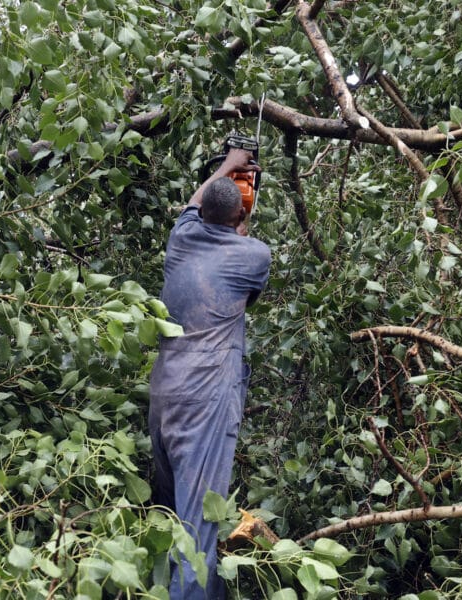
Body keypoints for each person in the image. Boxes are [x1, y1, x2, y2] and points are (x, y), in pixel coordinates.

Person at [149, 148, 271, 599]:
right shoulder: (254, 255)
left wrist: (228, 165)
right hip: (205, 402)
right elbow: (245, 295)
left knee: (169, 523)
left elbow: (192, 205)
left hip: (164, 397)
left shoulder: (180, 238)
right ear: (240, 213)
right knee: (196, 535)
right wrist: (242, 227)